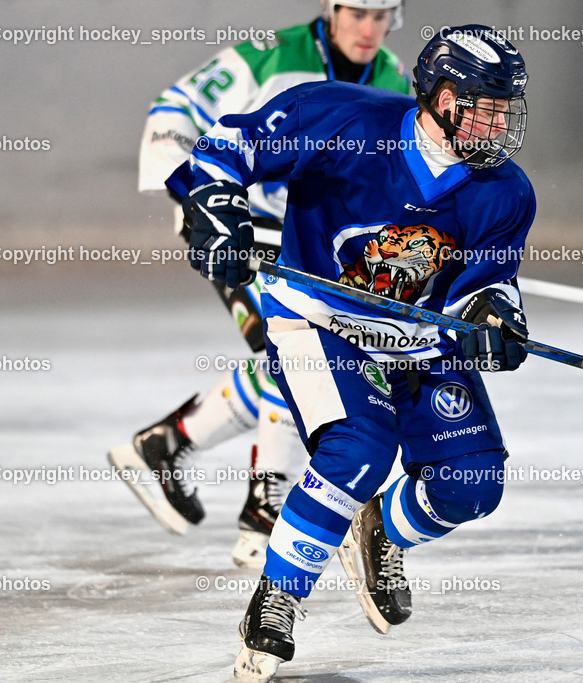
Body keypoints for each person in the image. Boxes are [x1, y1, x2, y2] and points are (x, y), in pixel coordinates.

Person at [166, 25, 533, 681]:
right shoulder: (340, 117)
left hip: (415, 337)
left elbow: (488, 282)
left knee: (471, 485)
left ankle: (382, 530)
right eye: (485, 106)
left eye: (505, 110)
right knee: (360, 448)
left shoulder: (506, 191)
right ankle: (275, 599)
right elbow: (230, 142)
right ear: (441, 97)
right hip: (319, 321)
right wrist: (217, 203)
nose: (497, 123)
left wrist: (496, 316)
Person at [108, 0, 412, 568]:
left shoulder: (394, 78)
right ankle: (263, 513)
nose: (369, 28)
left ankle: (166, 445)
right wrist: (202, 198)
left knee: (298, 352)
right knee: (293, 348)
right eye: (358, 13)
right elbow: (176, 107)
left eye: (383, 15)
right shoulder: (271, 56)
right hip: (242, 227)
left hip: (315, 246)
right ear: (331, 8)